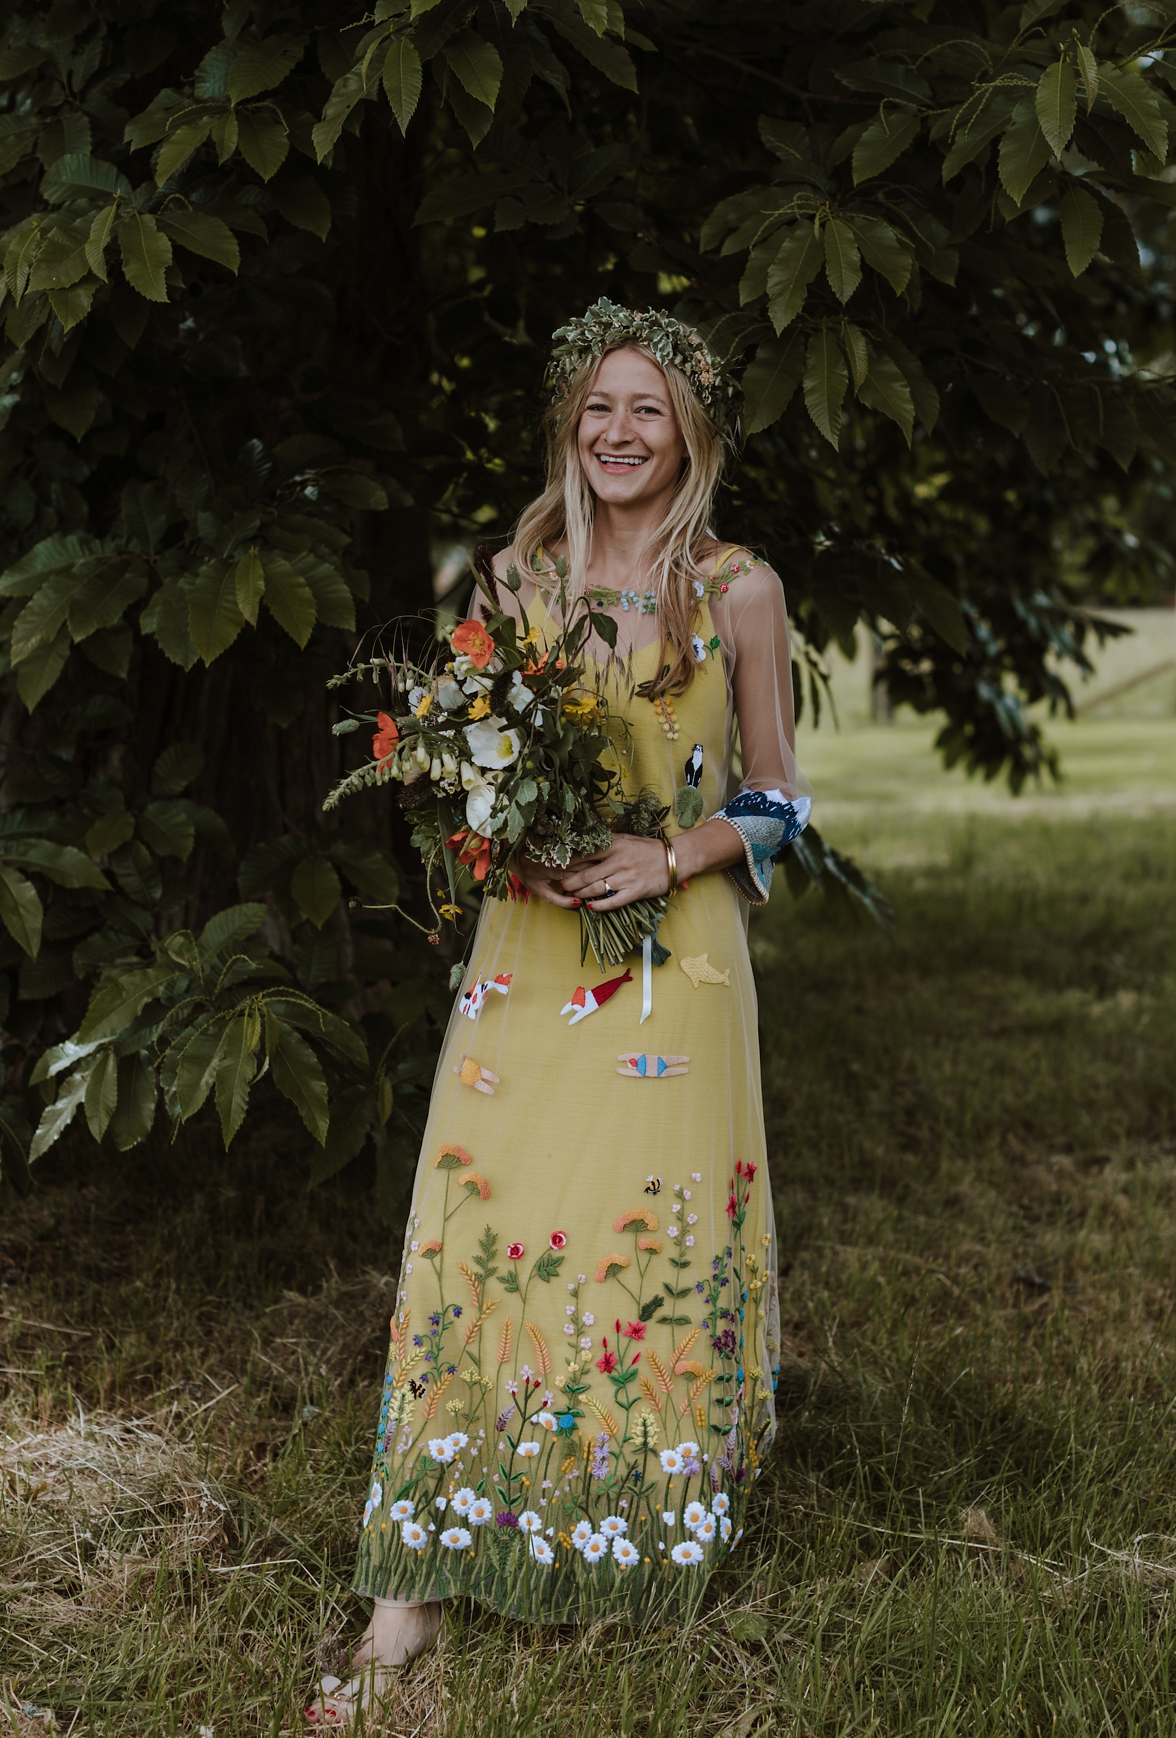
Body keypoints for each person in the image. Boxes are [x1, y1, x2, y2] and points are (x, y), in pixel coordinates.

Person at [306, 298, 810, 1724]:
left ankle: (632, 1535)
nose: (619, 433)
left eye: (647, 409)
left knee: (639, 1218)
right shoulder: (518, 581)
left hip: (681, 960)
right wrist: (502, 835)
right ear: (566, 427)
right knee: (482, 1208)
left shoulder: (740, 590)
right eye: (597, 407)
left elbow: (781, 799)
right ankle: (412, 1582)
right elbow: (468, 764)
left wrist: (672, 851)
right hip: (528, 947)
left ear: (691, 430)